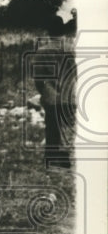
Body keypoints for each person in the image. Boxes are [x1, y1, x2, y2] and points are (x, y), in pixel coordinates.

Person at [33, 38, 76, 167]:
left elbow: (38, 78)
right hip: (69, 95)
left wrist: (43, 92)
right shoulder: (71, 49)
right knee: (67, 127)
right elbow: (76, 72)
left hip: (51, 96)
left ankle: (51, 158)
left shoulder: (42, 51)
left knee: (52, 127)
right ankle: (65, 159)